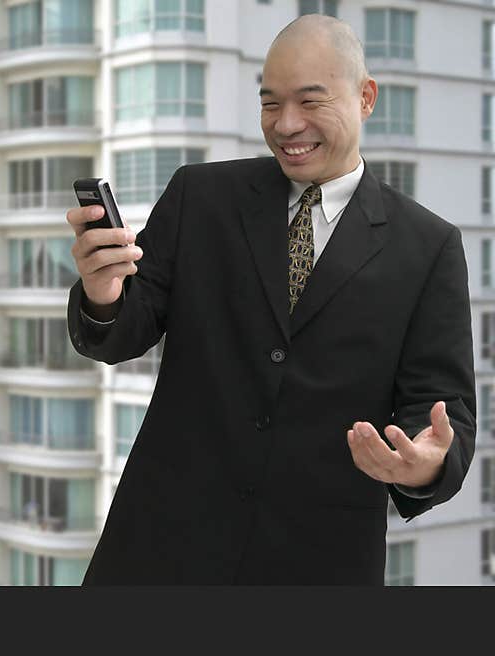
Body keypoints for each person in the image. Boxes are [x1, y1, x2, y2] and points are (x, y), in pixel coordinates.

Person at [64, 14, 476, 585]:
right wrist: (102, 293)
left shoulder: (428, 246)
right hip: (158, 550)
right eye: (269, 104)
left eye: (310, 102)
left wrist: (426, 465)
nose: (287, 125)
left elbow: (441, 409)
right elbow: (123, 330)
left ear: (365, 97)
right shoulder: (199, 196)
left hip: (318, 565)